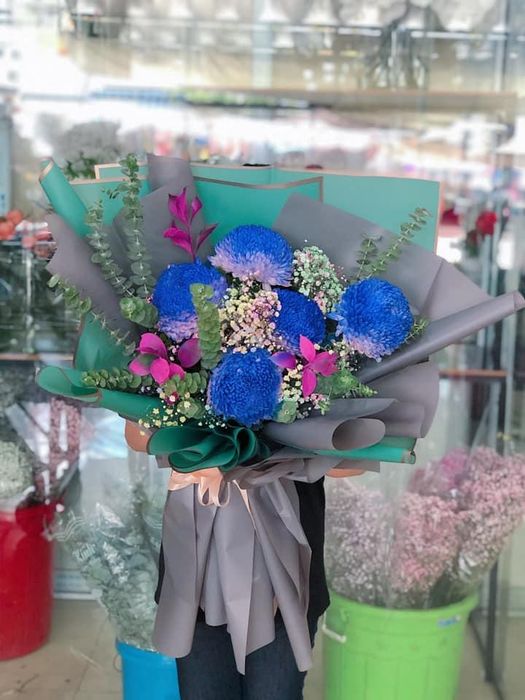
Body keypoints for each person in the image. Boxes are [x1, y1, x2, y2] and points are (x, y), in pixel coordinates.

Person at [125, 421, 363, 700]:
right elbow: (137, 436)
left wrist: (278, 450)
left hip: (286, 561)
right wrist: (205, 442)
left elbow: (349, 463)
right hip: (200, 556)